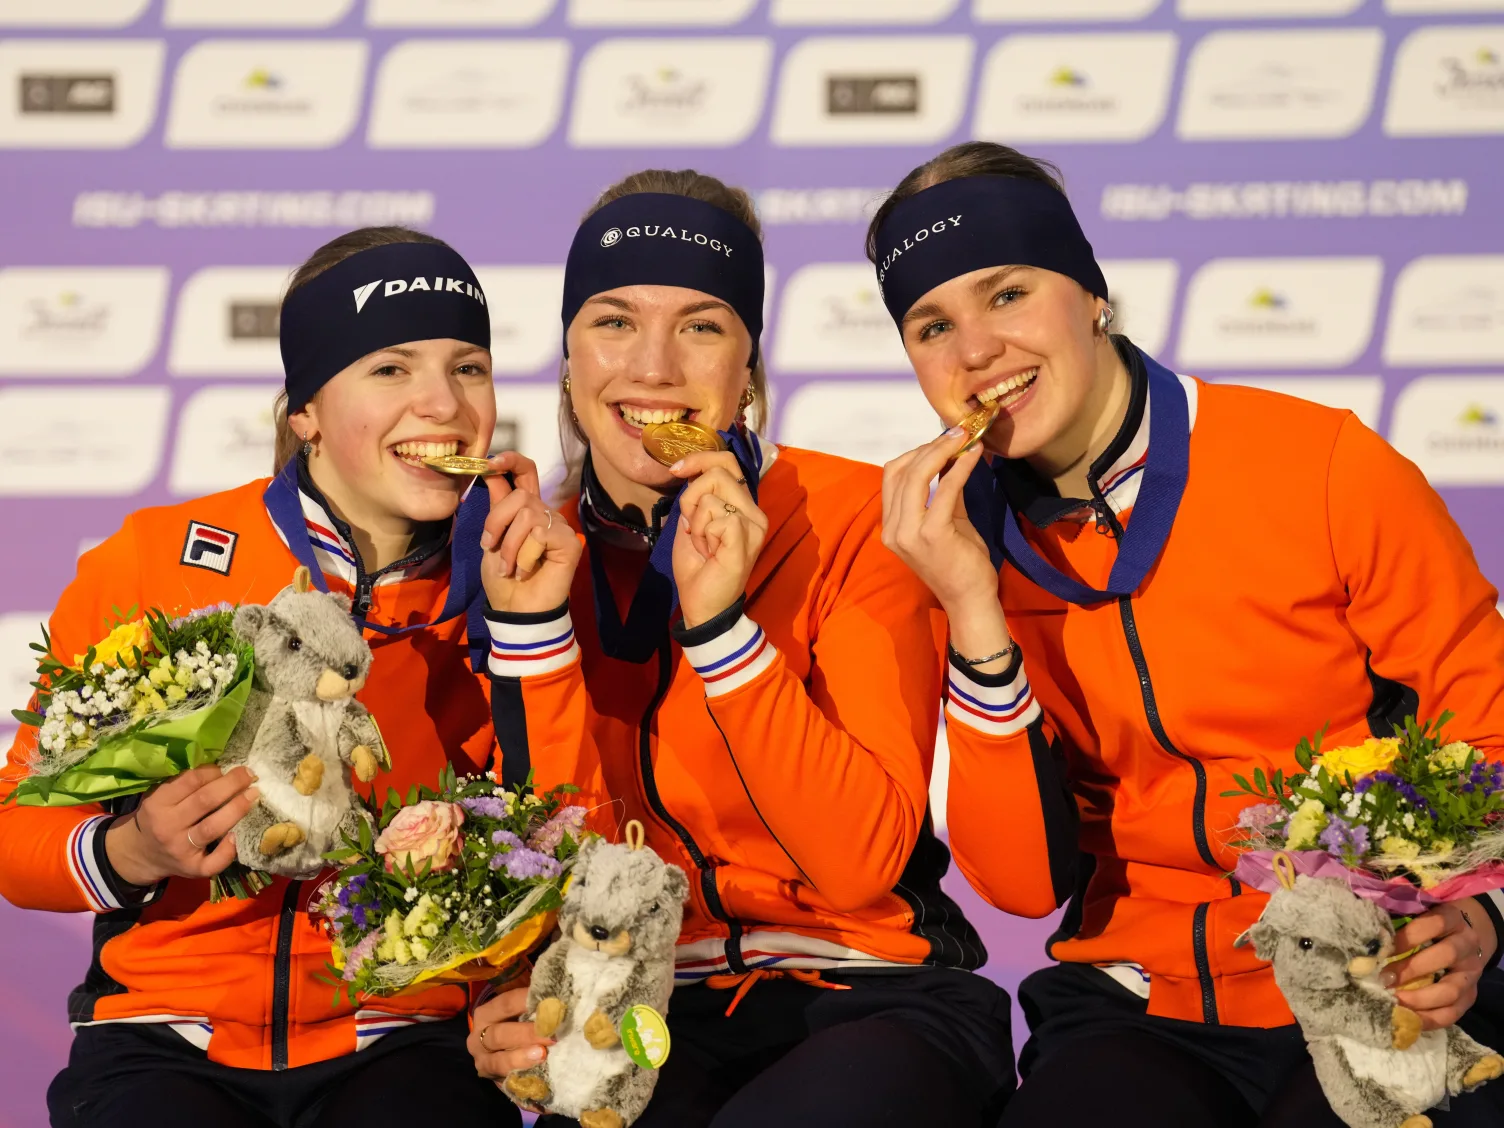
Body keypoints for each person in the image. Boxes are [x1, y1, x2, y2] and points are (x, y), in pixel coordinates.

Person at [874, 142, 1504, 1128]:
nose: (974, 351)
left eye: (1008, 294)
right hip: (1138, 1006)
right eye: (931, 325)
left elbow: (1489, 719)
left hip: (1374, 974)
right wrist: (972, 609)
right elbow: (1022, 884)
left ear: (1089, 294)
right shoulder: (947, 548)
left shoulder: (1319, 464)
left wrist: (1478, 914)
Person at [462, 169, 1018, 1128]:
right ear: (565, 360)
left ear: (749, 370)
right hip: (643, 1011)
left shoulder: (856, 521)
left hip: (872, 988)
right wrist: (534, 636)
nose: (653, 368)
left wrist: (722, 633)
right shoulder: (520, 555)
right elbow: (546, 857)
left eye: (702, 325)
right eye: (612, 321)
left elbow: (858, 866)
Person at [1, 226, 526, 1128]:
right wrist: (134, 851)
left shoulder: (518, 581)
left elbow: (559, 818)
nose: (442, 403)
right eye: (391, 369)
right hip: (165, 1036)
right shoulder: (158, 562)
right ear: (307, 411)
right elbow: (18, 832)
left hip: (403, 1038)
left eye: (468, 366)